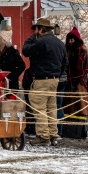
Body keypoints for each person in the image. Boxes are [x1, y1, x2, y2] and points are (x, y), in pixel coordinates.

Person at [22, 16, 67, 146]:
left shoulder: (41, 42)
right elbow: (65, 63)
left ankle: (43, 136)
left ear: (41, 29)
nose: (35, 32)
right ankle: (53, 134)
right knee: (51, 108)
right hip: (55, 79)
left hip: (41, 79)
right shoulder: (60, 43)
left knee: (39, 108)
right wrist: (57, 74)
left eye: (36, 29)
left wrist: (32, 37)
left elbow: (25, 51)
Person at [63, 27, 88, 137]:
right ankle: (68, 131)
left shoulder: (82, 51)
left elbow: (83, 69)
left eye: (72, 39)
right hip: (68, 83)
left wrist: (78, 80)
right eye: (69, 40)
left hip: (79, 84)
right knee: (68, 107)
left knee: (80, 107)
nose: (70, 42)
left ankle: (80, 131)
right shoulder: (67, 50)